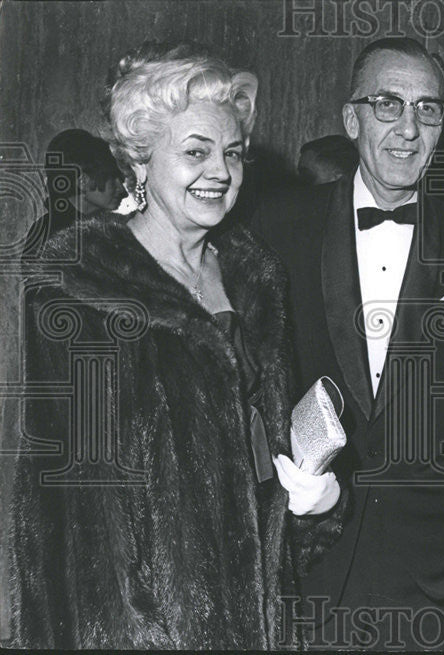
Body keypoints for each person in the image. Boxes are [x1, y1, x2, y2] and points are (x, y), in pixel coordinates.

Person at [9, 42, 342, 649]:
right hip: (143, 623)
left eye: (232, 153)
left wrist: (316, 494)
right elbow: (82, 511)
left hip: (263, 610)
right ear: (139, 159)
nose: (220, 171)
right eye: (195, 152)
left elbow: (270, 444)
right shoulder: (86, 288)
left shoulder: (255, 276)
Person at [251, 37, 444, 650]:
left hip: (437, 569)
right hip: (309, 561)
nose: (408, 129)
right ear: (351, 118)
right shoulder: (277, 227)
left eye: (428, 109)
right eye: (388, 104)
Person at [21, 129, 126, 257]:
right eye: (112, 179)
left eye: (120, 179)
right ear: (82, 181)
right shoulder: (47, 233)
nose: (122, 190)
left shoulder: (113, 228)